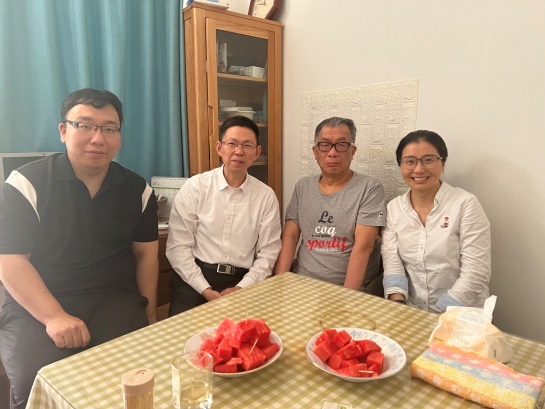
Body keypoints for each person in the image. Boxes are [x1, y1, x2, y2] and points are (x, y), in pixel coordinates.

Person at [0, 88, 159, 408]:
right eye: (85, 125)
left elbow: (146, 255)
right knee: (40, 380)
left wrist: (151, 316)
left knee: (134, 373)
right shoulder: (25, 184)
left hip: (113, 299)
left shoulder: (138, 189)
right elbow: (10, 260)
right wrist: (55, 317)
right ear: (63, 130)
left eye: (109, 128)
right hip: (40, 302)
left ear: (119, 137)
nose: (98, 138)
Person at [166, 115, 281, 315]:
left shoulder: (266, 196)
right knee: (181, 333)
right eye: (232, 143)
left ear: (257, 152)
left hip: (242, 281)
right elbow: (178, 247)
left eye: (247, 145)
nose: (239, 151)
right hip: (194, 278)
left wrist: (242, 288)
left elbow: (268, 253)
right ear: (219, 148)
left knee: (249, 333)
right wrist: (205, 289)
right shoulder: (196, 187)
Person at [382, 130, 491, 312]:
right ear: (401, 165)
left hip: (461, 313)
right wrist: (399, 305)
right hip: (413, 310)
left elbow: (476, 272)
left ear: (443, 163)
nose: (419, 169)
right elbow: (392, 261)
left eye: (428, 160)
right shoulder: (394, 208)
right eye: (410, 161)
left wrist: (439, 316)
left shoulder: (465, 204)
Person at [274, 117, 386, 291]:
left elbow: (364, 247)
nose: (332, 153)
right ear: (315, 151)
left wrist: (346, 297)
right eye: (325, 145)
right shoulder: (303, 186)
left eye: (341, 145)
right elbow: (290, 237)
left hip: (345, 288)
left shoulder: (369, 188)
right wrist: (278, 284)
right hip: (301, 281)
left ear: (353, 151)